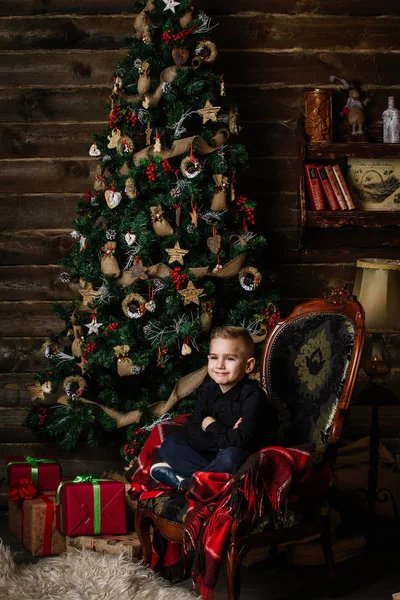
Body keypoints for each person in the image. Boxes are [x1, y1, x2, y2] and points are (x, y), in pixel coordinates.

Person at [150, 326, 275, 490]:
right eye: (214, 357)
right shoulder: (207, 390)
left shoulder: (253, 396)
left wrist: (210, 425)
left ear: (248, 365)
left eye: (230, 359)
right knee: (170, 445)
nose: (220, 365)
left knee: (231, 456)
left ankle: (189, 484)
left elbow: (242, 442)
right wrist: (226, 436)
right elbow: (191, 431)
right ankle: (208, 480)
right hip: (208, 459)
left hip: (236, 461)